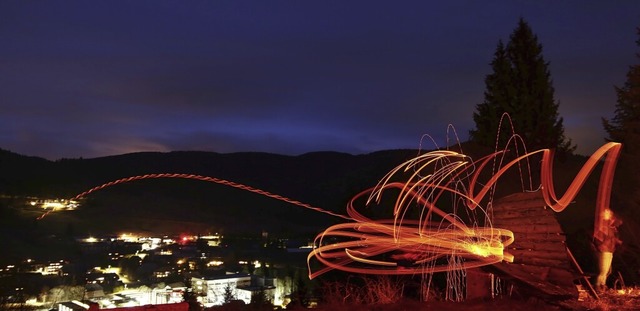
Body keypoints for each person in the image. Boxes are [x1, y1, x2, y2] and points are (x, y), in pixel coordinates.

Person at [593, 208, 623, 292]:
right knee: (603, 271)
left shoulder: (611, 229)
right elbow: (598, 238)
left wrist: (617, 241)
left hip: (609, 251)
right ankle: (598, 287)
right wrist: (601, 245)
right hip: (604, 250)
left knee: (608, 271)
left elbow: (611, 239)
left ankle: (602, 286)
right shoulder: (604, 228)